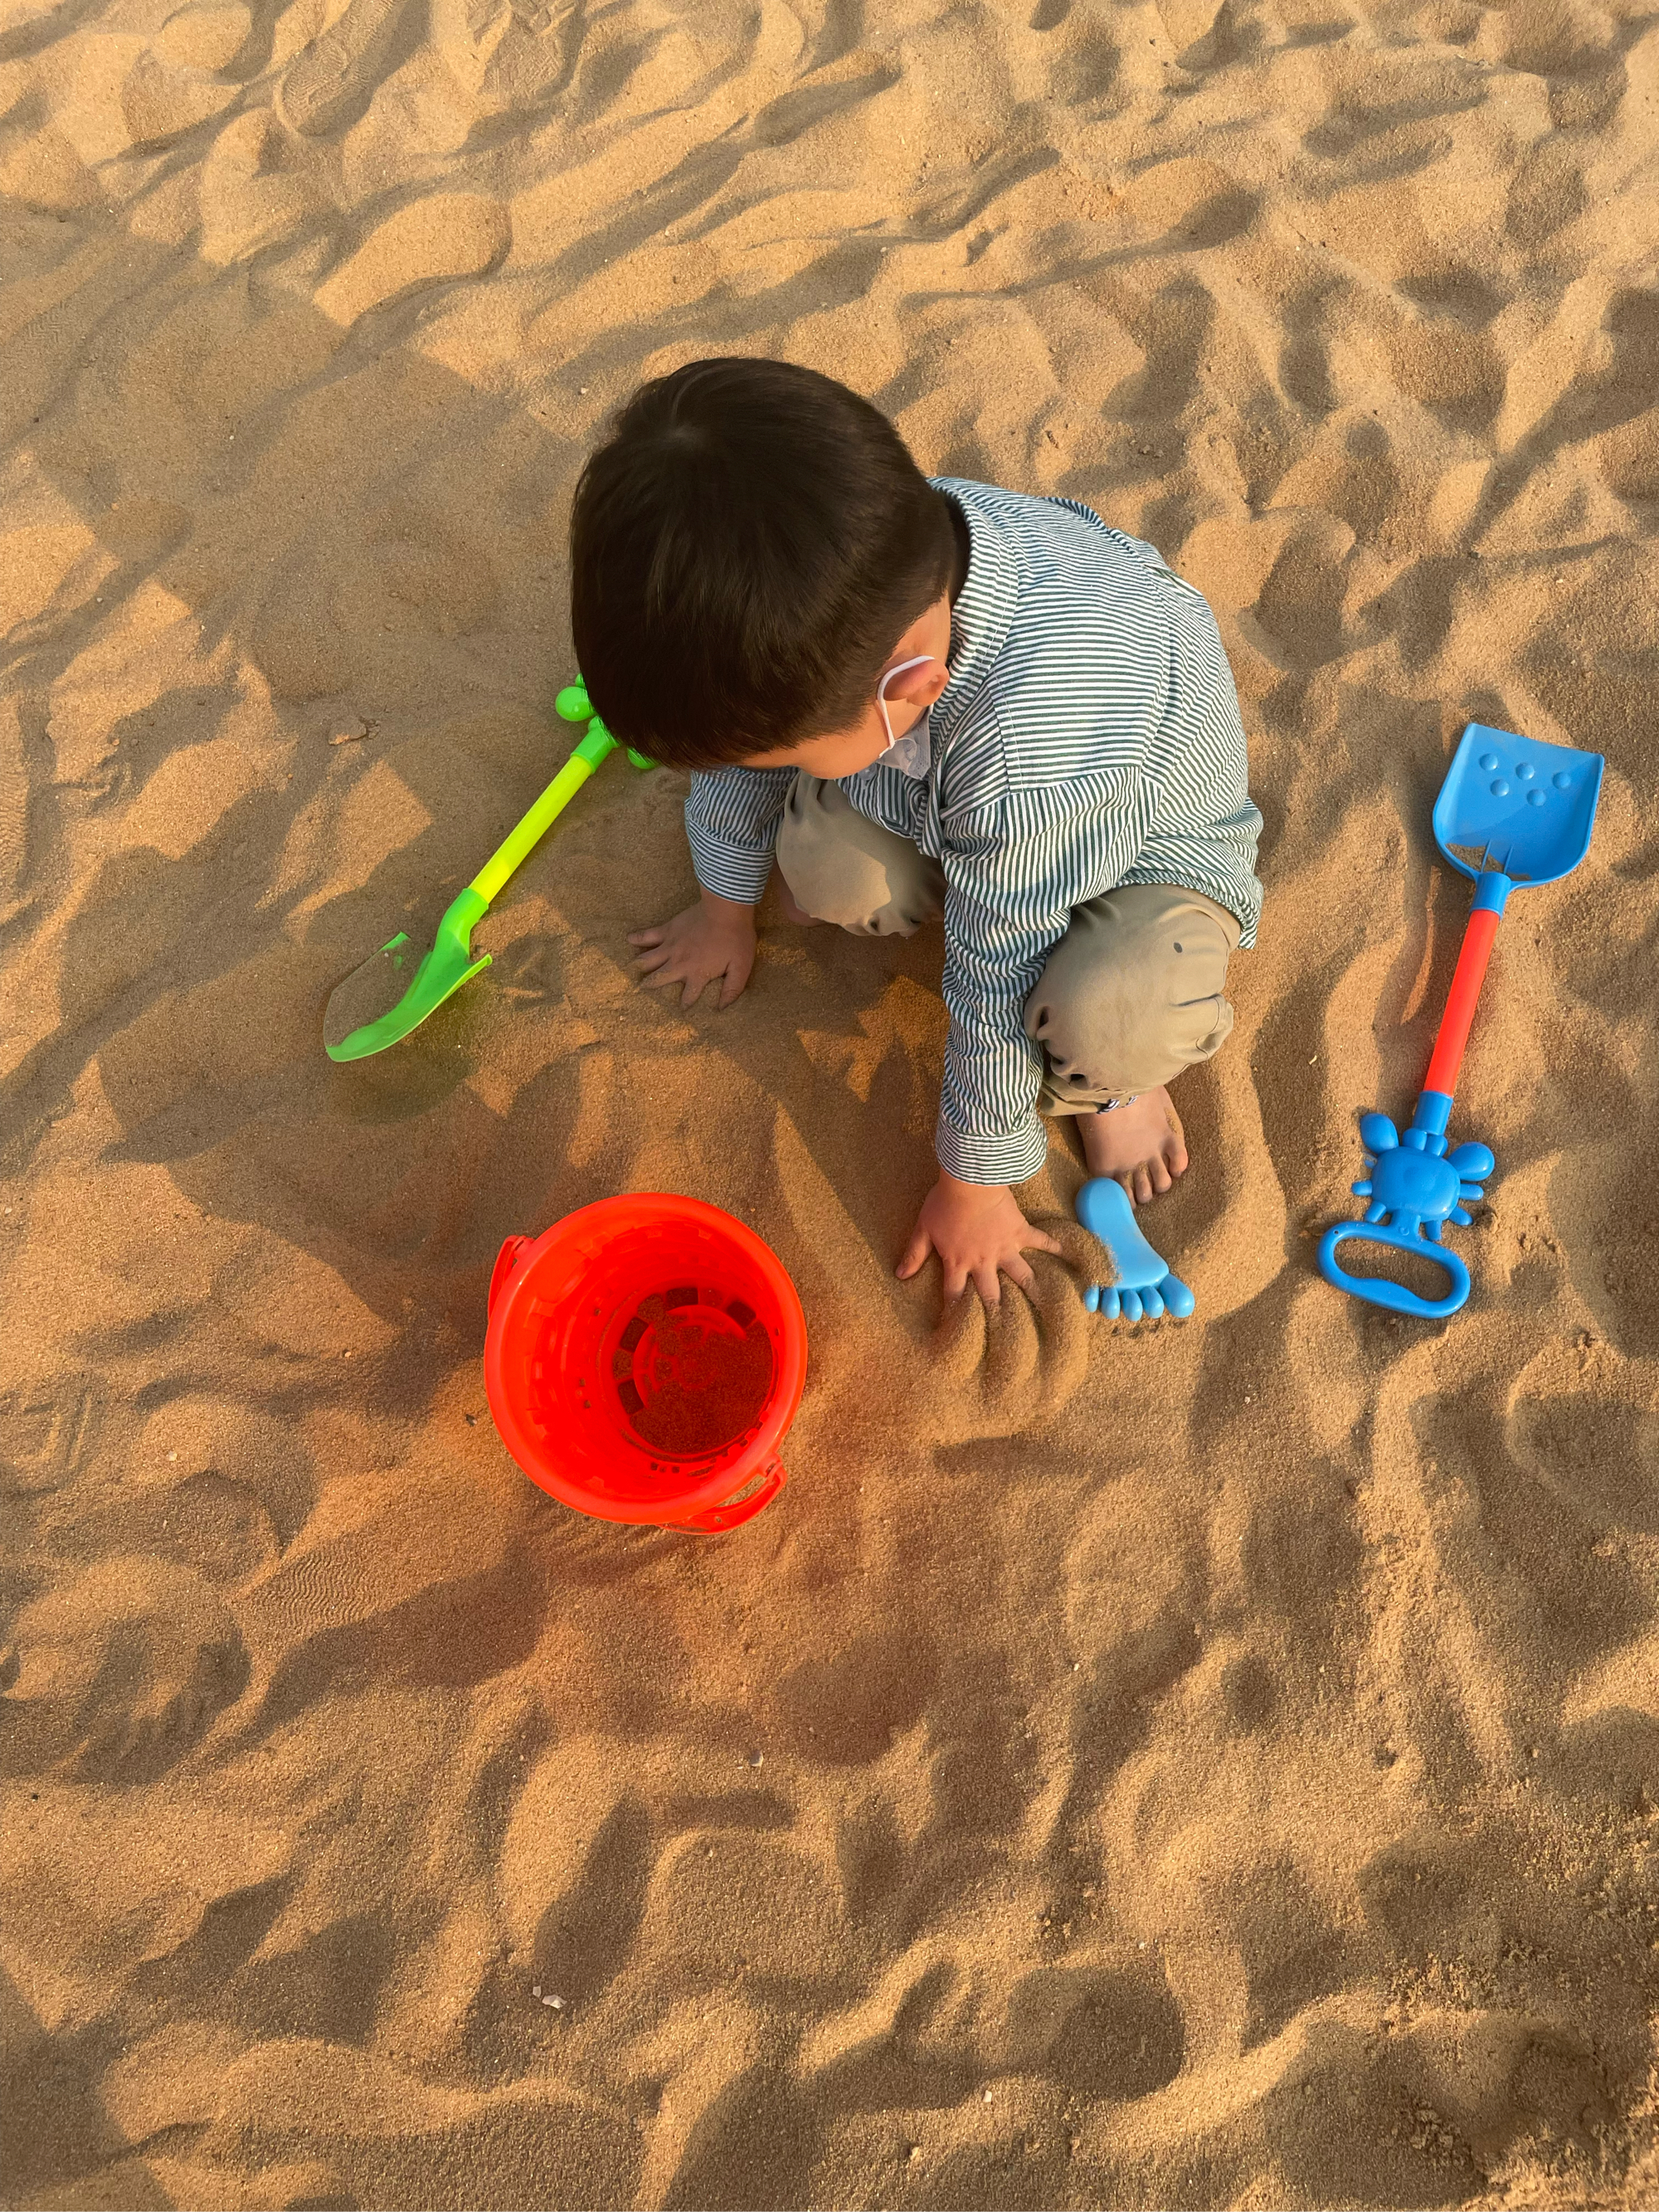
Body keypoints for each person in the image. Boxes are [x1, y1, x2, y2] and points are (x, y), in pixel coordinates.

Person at [570, 357, 1262, 1307]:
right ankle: (857, 820)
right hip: (934, 783)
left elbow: (998, 964)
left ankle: (1116, 1092)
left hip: (1133, 844)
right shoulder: (850, 558)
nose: (750, 771)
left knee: (1108, 1014)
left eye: (773, 757)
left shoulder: (1031, 749)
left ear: (911, 689)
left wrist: (976, 1184)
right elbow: (738, 752)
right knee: (821, 869)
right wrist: (721, 911)